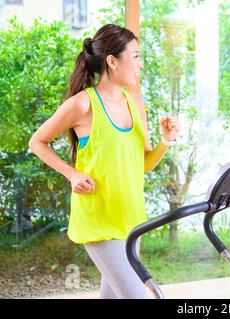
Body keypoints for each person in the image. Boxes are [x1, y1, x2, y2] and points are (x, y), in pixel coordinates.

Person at [28, 24, 181, 299]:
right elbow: (37, 142)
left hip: (131, 219)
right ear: (112, 61)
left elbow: (143, 164)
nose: (140, 63)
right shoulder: (83, 105)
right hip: (99, 221)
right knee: (137, 296)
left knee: (110, 296)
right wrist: (71, 173)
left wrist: (165, 141)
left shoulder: (135, 102)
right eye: (134, 56)